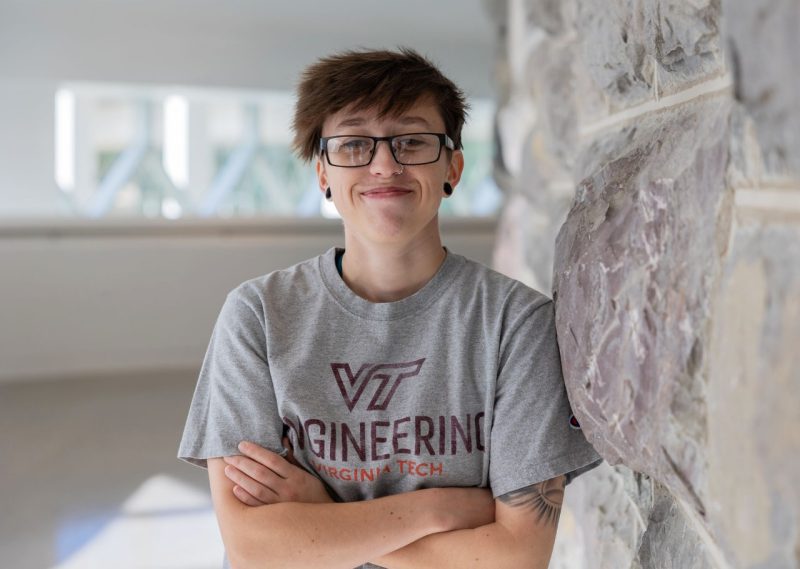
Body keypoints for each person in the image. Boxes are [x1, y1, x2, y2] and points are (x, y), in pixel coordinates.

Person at [178, 48, 601, 569]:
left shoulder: (516, 325)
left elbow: (515, 559)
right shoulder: (258, 316)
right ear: (323, 175)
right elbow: (255, 546)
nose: (385, 165)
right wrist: (440, 508)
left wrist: (320, 514)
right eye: (354, 144)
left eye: (412, 141)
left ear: (453, 166)